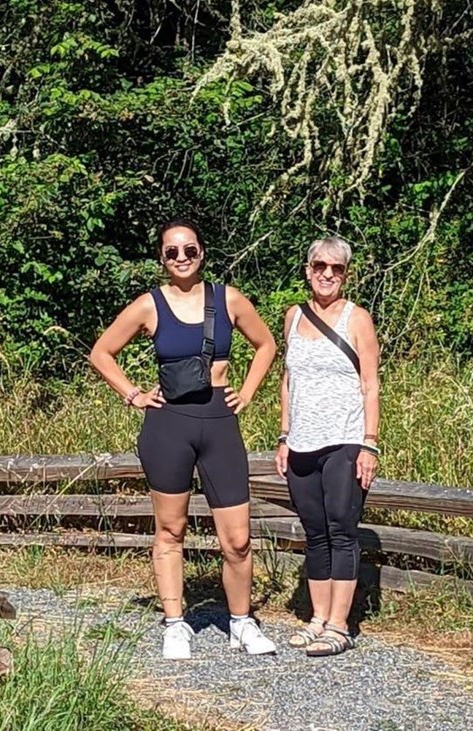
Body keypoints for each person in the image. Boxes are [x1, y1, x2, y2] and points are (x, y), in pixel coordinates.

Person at [89, 219, 279, 660]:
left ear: (202, 253)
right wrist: (133, 394)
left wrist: (247, 392)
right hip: (168, 424)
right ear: (161, 257)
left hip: (218, 422)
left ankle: (240, 622)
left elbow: (265, 344)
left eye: (189, 250)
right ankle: (176, 624)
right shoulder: (149, 306)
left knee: (237, 539)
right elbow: (101, 352)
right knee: (170, 530)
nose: (181, 258)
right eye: (171, 252)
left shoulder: (228, 299)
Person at [274, 236, 380, 657]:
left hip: (345, 439)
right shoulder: (292, 317)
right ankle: (317, 616)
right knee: (314, 532)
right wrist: (284, 436)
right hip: (302, 442)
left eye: (336, 269)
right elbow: (287, 380)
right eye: (319, 266)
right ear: (307, 269)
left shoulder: (357, 319)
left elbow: (370, 384)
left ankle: (340, 624)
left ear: (346, 275)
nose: (327, 274)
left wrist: (369, 444)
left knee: (341, 528)